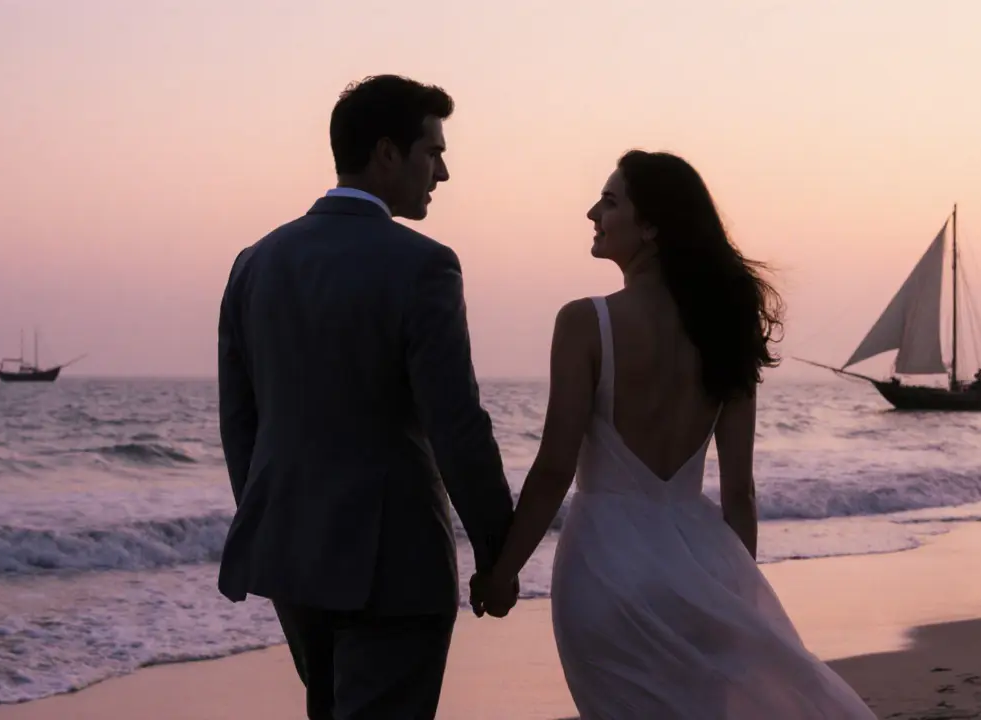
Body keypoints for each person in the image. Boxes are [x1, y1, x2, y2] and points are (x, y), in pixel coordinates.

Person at [471, 151, 877, 718]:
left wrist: (502, 572)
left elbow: (553, 469)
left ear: (652, 227)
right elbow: (740, 492)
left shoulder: (585, 323)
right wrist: (736, 597)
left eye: (610, 202)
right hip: (700, 569)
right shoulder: (726, 331)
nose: (593, 212)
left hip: (605, 570)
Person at [216, 74, 516, 720]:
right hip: (395, 569)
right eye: (432, 152)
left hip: (293, 563)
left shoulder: (254, 264)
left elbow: (241, 427)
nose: (442, 173)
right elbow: (456, 425)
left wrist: (276, 525)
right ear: (386, 153)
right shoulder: (424, 266)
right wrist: (499, 552)